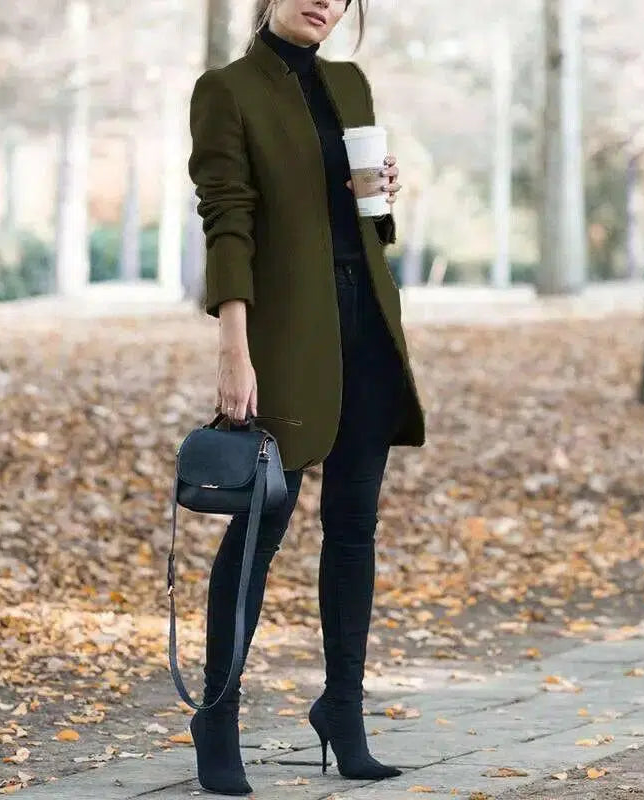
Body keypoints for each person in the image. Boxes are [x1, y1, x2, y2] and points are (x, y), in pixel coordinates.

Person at [185, 0, 426, 794]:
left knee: (354, 528)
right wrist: (234, 347)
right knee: (260, 526)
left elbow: (365, 227)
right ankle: (218, 715)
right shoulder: (226, 90)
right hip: (286, 336)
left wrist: (381, 195)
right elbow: (228, 221)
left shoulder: (350, 85)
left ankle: (343, 711)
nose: (324, 1)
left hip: (368, 327)